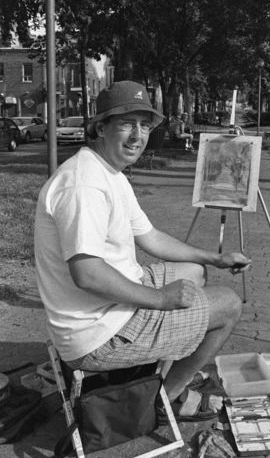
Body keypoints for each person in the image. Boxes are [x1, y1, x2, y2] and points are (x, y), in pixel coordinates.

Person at [34, 81, 250, 422]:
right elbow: (87, 273)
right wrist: (161, 299)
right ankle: (166, 399)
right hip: (97, 333)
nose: (137, 135)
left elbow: (150, 236)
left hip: (110, 307)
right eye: (126, 123)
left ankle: (157, 363)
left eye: (144, 125)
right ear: (100, 128)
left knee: (194, 272)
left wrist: (214, 257)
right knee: (229, 305)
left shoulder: (108, 171)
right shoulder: (84, 185)